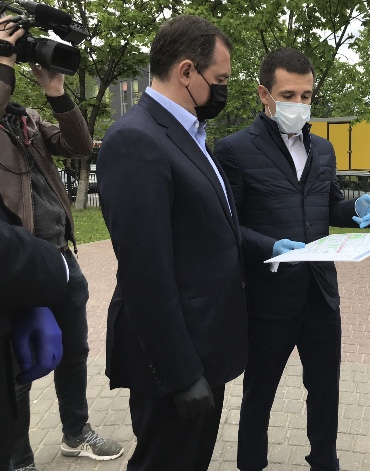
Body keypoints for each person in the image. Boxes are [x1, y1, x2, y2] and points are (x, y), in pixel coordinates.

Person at [214, 47, 370, 471]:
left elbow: (329, 205)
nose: (299, 104)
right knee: (260, 393)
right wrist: (268, 247)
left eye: (306, 96)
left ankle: (324, 461)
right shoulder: (234, 149)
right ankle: (251, 463)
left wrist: (355, 209)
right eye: (289, 95)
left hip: (321, 294)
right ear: (264, 94)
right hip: (268, 298)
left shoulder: (323, 149)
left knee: (325, 390)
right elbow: (226, 225)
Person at [97, 15, 248, 471]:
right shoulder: (136, 140)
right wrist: (181, 373)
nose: (223, 90)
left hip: (203, 347)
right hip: (175, 362)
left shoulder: (187, 133)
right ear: (186, 71)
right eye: (220, 79)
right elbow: (145, 274)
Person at [0, 17, 123, 471]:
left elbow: (78, 145)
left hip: (61, 257)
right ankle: (18, 458)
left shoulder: (24, 119)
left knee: (74, 351)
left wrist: (55, 90)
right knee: (17, 366)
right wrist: (4, 61)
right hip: (17, 265)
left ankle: (76, 432)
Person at [0, 195, 68, 471]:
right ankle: (22, 460)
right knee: (21, 380)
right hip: (30, 265)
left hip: (23, 278)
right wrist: (51, 266)